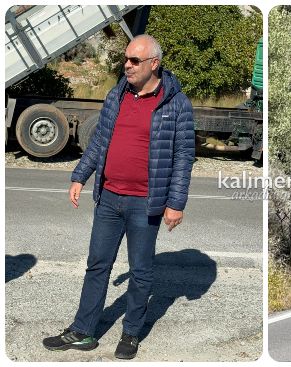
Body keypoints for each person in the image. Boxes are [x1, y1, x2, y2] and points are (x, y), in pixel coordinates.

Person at [42, 35, 195, 360]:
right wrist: (79, 176)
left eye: (134, 60)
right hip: (109, 197)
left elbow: (184, 155)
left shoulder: (176, 103)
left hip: (146, 204)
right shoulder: (117, 95)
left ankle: (131, 333)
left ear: (154, 64)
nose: (127, 65)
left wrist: (176, 203)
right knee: (97, 265)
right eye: (126, 59)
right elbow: (100, 141)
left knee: (141, 271)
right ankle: (83, 331)